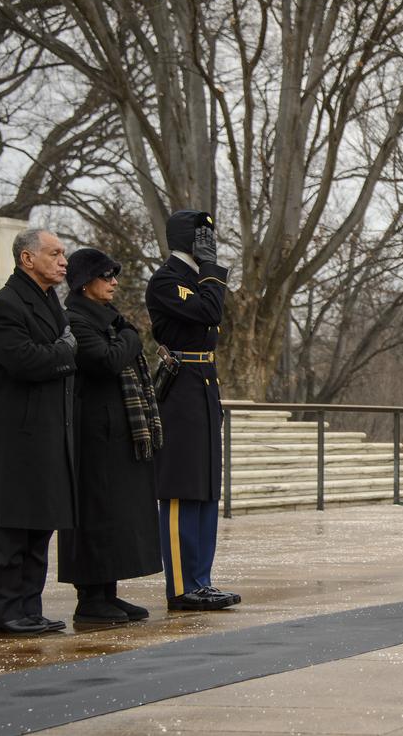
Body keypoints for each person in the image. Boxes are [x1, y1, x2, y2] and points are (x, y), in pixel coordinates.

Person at [0, 228, 77, 635]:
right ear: (27, 259)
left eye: (64, 253)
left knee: (40, 525)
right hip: (16, 436)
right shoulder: (5, 304)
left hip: (49, 430)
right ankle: (5, 611)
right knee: (14, 528)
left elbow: (57, 352)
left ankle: (30, 608)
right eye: (54, 253)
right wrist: (64, 353)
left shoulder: (52, 303)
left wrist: (61, 353)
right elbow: (23, 360)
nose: (63, 261)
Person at [59, 248, 164, 624]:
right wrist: (131, 337)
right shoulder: (74, 318)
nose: (114, 283)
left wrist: (125, 335)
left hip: (115, 432)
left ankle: (108, 594)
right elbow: (105, 361)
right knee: (97, 514)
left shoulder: (108, 319)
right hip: (93, 433)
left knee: (116, 515)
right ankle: (90, 598)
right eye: (107, 276)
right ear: (86, 283)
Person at [145, 209, 240, 611]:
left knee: (205, 489)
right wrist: (213, 269)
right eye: (202, 235)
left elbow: (210, 317)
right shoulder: (167, 280)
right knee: (182, 490)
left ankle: (202, 579)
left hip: (204, 386)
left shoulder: (198, 280)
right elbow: (209, 313)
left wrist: (209, 273)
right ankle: (182, 586)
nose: (208, 241)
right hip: (181, 387)